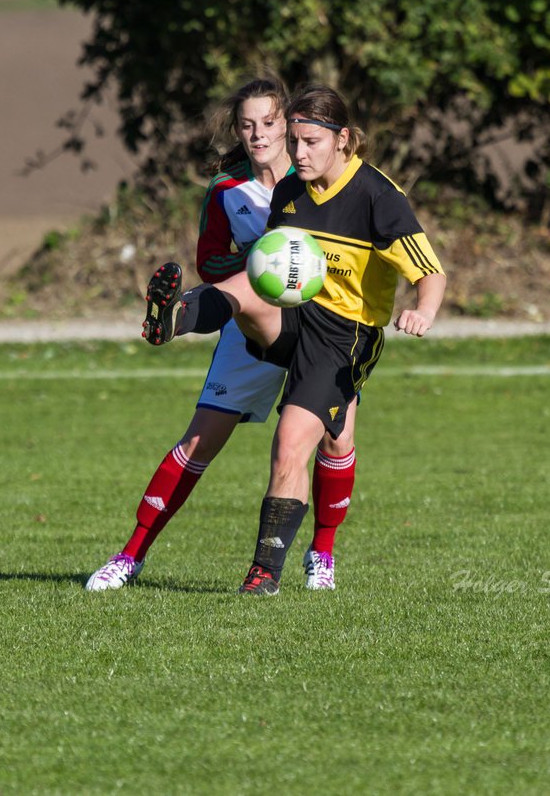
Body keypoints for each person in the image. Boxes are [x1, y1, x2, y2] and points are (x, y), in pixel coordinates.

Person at [141, 83, 447, 595]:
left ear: (342, 140)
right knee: (254, 277)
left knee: (291, 445)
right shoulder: (290, 191)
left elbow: (429, 272)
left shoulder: (377, 196)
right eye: (296, 141)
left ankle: (266, 573)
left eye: (310, 143)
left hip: (344, 339)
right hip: (295, 316)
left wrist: (424, 310)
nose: (298, 154)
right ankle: (176, 319)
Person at [87, 77, 359, 592]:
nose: (258, 135)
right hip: (252, 323)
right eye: (247, 125)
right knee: (198, 441)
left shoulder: (322, 179)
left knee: (337, 435)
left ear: (289, 124)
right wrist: (259, 260)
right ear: (237, 130)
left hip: (323, 327)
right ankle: (130, 556)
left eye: (269, 123)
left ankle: (321, 554)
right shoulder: (228, 190)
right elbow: (209, 260)